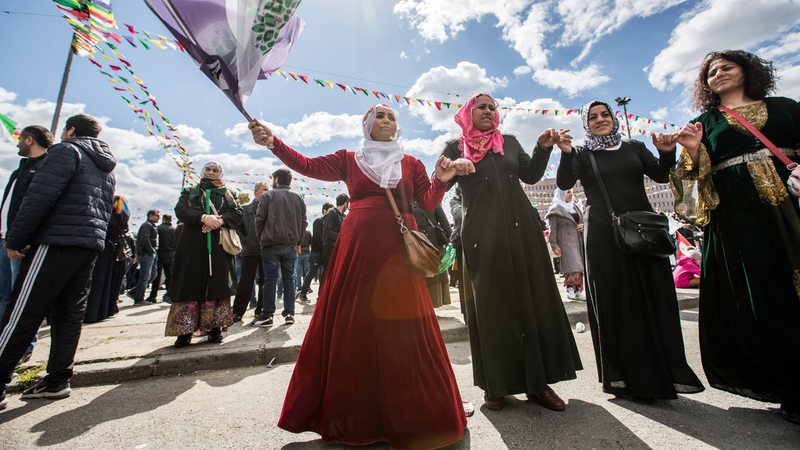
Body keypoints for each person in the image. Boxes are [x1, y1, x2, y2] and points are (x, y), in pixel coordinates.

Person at [248, 103, 472, 449]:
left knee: (406, 327)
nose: (385, 121)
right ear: (366, 124)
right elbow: (306, 165)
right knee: (357, 324)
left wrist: (442, 180)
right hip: (358, 251)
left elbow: (426, 202)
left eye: (391, 117)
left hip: (399, 254)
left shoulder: (410, 163)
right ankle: (357, 416)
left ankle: (421, 413)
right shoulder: (348, 159)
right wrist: (274, 142)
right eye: (378, 116)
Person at [673, 49, 800, 423]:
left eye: (726, 67)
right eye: (711, 72)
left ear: (747, 70)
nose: (719, 74)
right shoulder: (704, 122)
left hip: (789, 208)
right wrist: (693, 152)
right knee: (764, 293)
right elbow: (688, 182)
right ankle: (790, 386)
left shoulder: (784, 107)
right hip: (739, 220)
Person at [442, 93, 582, 411]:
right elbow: (440, 187)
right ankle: (496, 386)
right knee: (493, 310)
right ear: (467, 114)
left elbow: (531, 175)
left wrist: (543, 148)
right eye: (482, 107)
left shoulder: (509, 141)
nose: (490, 111)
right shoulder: (454, 147)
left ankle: (538, 384)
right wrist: (446, 172)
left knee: (529, 303)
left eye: (493, 107)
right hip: (481, 238)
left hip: (523, 234)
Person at [556, 100, 704, 401]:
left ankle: (663, 370)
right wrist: (566, 153)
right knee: (616, 300)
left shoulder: (634, 147)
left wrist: (666, 152)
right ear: (586, 124)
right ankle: (624, 377)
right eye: (593, 117)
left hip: (644, 231)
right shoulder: (583, 153)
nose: (600, 120)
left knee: (653, 296)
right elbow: (564, 182)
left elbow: (662, 176)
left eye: (605, 115)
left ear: (614, 118)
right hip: (603, 233)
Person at [0, 114, 115, 407]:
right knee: (69, 313)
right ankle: (58, 378)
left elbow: (40, 197)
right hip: (88, 245)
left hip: (56, 240)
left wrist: (15, 238)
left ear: (71, 130)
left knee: (23, 310)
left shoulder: (67, 150)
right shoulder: (106, 168)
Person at [165, 161, 242, 348]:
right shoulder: (190, 191)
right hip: (192, 245)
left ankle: (215, 330)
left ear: (220, 173)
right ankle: (184, 332)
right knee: (189, 284)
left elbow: (238, 214)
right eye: (208, 169)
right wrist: (202, 218)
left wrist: (220, 220)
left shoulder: (229, 194)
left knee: (218, 285)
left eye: (215, 170)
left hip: (218, 246)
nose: (211, 172)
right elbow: (181, 210)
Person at [0, 125, 54, 365]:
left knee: (19, 297)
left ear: (30, 139)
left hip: (20, 242)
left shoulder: (45, 168)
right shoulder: (20, 169)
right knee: (4, 295)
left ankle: (21, 345)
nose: (18, 144)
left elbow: (36, 207)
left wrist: (23, 238)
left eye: (21, 139)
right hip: (5, 238)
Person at [252, 168, 307, 327]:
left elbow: (259, 220)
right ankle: (289, 313)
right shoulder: (298, 198)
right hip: (290, 244)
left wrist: (260, 239)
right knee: (289, 280)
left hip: (271, 244)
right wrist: (298, 241)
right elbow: (304, 222)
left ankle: (268, 314)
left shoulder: (268, 196)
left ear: (276, 180)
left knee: (270, 280)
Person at [84, 195, 131, 323]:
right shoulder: (115, 218)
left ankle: (101, 310)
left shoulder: (113, 217)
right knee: (104, 281)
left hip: (109, 252)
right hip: (110, 252)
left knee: (105, 281)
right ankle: (100, 310)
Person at [233, 182, 268, 323]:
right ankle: (237, 312)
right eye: (264, 189)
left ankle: (260, 311)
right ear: (256, 191)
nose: (266, 192)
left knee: (265, 282)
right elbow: (237, 228)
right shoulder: (245, 209)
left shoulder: (270, 210)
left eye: (268, 190)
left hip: (266, 250)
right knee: (245, 282)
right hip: (249, 250)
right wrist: (245, 241)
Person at [545, 188, 586, 300]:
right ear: (561, 195)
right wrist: (554, 244)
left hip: (578, 240)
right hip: (566, 242)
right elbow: (552, 229)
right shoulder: (555, 209)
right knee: (572, 265)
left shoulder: (575, 206)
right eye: (568, 192)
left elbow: (582, 220)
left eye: (571, 191)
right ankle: (570, 288)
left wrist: (583, 225)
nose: (571, 193)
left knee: (579, 266)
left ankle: (578, 290)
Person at [412, 201, 452, 307]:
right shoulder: (430, 197)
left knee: (424, 271)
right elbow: (444, 221)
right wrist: (449, 235)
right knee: (432, 272)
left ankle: (426, 303)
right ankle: (433, 302)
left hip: (419, 239)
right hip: (430, 240)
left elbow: (443, 220)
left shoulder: (407, 199)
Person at [295, 202, 333, 303]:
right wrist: (326, 246)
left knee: (323, 275)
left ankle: (320, 296)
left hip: (325, 253)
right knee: (312, 273)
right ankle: (303, 293)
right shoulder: (318, 221)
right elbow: (317, 236)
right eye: (330, 210)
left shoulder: (329, 223)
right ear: (325, 210)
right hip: (316, 253)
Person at [130, 209, 159, 305]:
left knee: (153, 275)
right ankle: (139, 298)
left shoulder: (151, 226)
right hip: (146, 254)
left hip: (151, 253)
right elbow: (144, 239)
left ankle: (135, 292)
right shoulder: (146, 225)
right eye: (157, 215)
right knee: (145, 276)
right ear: (151, 216)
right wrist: (151, 250)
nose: (159, 217)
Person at [148, 213, 176, 303]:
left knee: (157, 276)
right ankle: (169, 294)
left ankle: (153, 296)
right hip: (171, 255)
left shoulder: (158, 228)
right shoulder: (174, 229)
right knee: (170, 276)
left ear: (163, 219)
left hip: (160, 254)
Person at [321, 193, 349, 279]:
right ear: (345, 203)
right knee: (328, 274)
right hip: (330, 250)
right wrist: (342, 236)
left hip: (338, 249)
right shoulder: (331, 214)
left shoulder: (343, 216)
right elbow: (327, 232)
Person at [293, 229, 312, 297]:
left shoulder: (297, 231)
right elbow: (311, 242)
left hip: (298, 252)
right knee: (307, 271)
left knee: (298, 272)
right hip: (306, 252)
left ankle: (299, 287)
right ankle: (307, 286)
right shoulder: (308, 232)